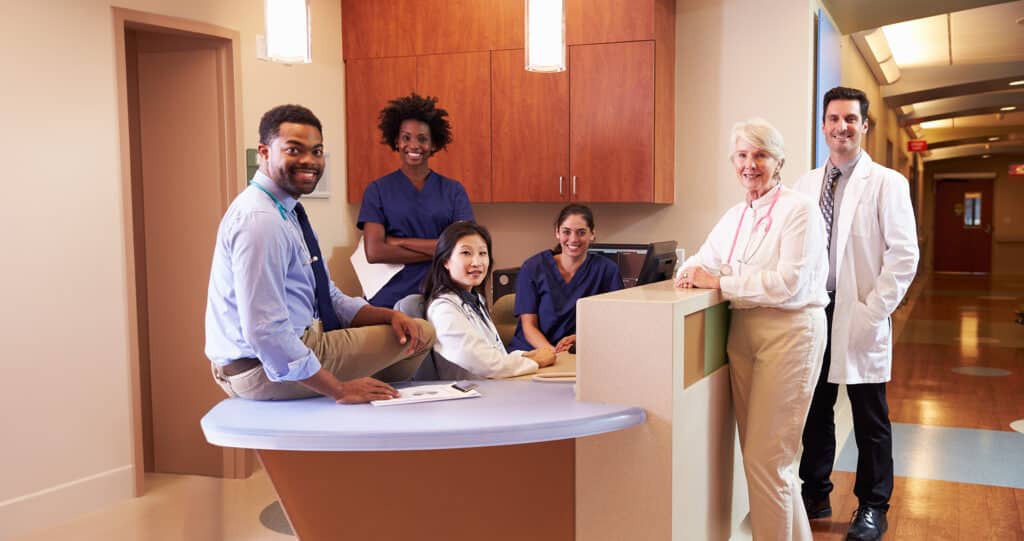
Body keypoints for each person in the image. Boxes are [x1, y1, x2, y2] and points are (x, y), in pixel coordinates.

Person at [205, 104, 434, 403]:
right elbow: (265, 332)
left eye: (316, 151)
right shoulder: (261, 220)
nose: (309, 161)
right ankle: (355, 400)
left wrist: (389, 314)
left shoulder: (285, 211)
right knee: (424, 333)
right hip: (261, 370)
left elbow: (328, 295)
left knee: (409, 329)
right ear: (264, 152)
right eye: (294, 150)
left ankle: (366, 400)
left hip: (273, 356)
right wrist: (339, 389)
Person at [675, 118, 829, 541]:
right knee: (765, 462)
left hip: (791, 333)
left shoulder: (799, 210)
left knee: (768, 461)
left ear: (778, 160)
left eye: (760, 154)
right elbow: (695, 263)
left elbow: (788, 284)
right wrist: (700, 272)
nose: (750, 164)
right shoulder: (734, 216)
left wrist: (722, 279)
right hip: (743, 333)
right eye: (742, 155)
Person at [795, 87, 919, 541]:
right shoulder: (806, 184)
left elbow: (904, 256)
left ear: (865, 125)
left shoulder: (887, 182)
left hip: (861, 310)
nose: (841, 127)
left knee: (870, 415)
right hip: (814, 311)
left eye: (851, 119)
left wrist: (873, 311)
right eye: (833, 118)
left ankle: (872, 506)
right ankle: (815, 490)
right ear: (823, 125)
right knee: (814, 409)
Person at [357, 93, 475, 309]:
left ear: (433, 144)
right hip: (389, 297)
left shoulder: (454, 191)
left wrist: (399, 242)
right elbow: (374, 252)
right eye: (406, 137)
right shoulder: (377, 190)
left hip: (441, 292)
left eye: (422, 139)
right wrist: (438, 250)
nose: (414, 145)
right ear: (396, 141)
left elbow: (462, 248)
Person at [423, 221, 557, 378]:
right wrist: (536, 362)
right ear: (445, 260)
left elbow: (493, 353)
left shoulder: (474, 300)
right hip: (476, 395)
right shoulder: (444, 309)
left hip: (493, 387)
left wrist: (526, 357)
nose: (477, 262)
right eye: (466, 253)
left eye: (482, 253)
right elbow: (486, 364)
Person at [509, 204, 624, 354]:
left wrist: (581, 338)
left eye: (581, 232)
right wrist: (552, 352)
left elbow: (614, 323)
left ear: (592, 234)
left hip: (577, 354)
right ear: (557, 232)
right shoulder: (532, 268)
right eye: (566, 232)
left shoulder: (607, 271)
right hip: (533, 354)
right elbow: (529, 327)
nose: (573, 239)